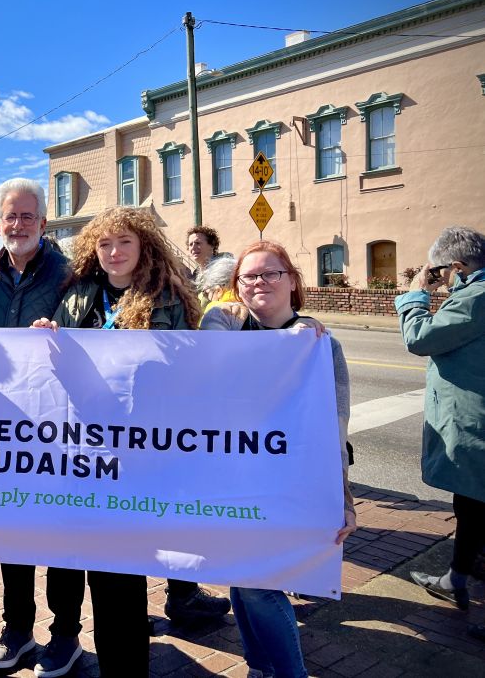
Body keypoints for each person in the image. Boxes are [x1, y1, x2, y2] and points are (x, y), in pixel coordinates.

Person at [32, 206, 204, 675]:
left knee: (121, 572)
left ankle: (125, 666)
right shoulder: (78, 296)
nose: (114, 252)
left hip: (138, 455)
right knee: (81, 556)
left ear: (143, 245)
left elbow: (190, 365)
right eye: (105, 244)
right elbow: (58, 365)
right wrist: (47, 336)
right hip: (84, 452)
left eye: (123, 242)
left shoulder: (166, 297)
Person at [202, 240, 355, 678]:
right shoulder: (227, 324)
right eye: (248, 276)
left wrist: (341, 498)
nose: (259, 282)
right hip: (232, 482)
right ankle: (260, 666)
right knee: (240, 579)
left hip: (286, 487)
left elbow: (334, 427)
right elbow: (213, 350)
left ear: (292, 281)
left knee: (257, 586)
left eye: (271, 273)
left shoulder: (322, 347)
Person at [0, 179, 89, 677]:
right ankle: (17, 629)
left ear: (43, 223)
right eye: (9, 217)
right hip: (6, 427)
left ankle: (66, 635)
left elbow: (93, 334)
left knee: (64, 532)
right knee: (13, 529)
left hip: (61, 426)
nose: (17, 225)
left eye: (27, 217)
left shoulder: (70, 275)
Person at [395, 226, 485, 634]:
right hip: (473, 420)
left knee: (474, 506)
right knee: (470, 506)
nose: (442, 279)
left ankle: (459, 578)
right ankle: (457, 578)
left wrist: (416, 293)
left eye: (443, 272)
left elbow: (420, 337)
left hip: (474, 423)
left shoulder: (476, 297)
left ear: (459, 266)